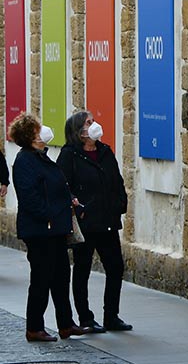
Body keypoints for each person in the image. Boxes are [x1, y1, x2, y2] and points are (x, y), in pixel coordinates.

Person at [10, 112, 89, 342]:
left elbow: (57, 186)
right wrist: (50, 215)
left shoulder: (42, 157)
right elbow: (30, 197)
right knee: (41, 279)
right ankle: (34, 327)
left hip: (55, 229)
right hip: (40, 230)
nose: (42, 132)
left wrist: (70, 200)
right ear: (30, 136)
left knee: (61, 276)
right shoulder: (25, 160)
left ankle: (66, 324)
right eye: (38, 129)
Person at [57, 111, 132, 333]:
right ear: (79, 131)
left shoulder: (105, 152)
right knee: (83, 268)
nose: (94, 125)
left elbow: (116, 181)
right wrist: (77, 206)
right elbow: (62, 185)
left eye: (93, 121)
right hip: (86, 222)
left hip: (107, 219)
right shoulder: (70, 155)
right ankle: (85, 317)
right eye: (88, 123)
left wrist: (119, 204)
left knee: (115, 267)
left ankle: (111, 315)